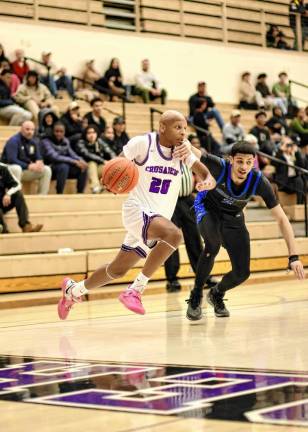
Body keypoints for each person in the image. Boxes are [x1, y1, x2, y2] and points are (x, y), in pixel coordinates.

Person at [57, 110, 216, 320]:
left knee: (117, 270)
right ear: (162, 127)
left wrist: (206, 182)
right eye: (178, 127)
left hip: (157, 220)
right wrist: (112, 181)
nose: (183, 132)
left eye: (185, 128)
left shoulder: (182, 151)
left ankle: (73, 290)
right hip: (137, 210)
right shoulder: (143, 143)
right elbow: (116, 166)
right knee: (175, 235)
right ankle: (136, 290)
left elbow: (206, 174)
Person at [186, 141, 305, 321]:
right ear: (231, 160)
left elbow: (282, 218)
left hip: (233, 216)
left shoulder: (259, 182)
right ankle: (196, 295)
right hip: (207, 209)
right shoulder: (220, 166)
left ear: (253, 163)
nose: (244, 166)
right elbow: (193, 150)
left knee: (242, 273)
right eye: (240, 161)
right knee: (213, 244)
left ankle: (216, 293)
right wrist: (178, 137)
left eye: (249, 162)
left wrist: (294, 257)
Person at [164, 153, 218, 292]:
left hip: (188, 199)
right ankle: (172, 279)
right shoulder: (162, 155)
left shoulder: (186, 152)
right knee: (170, 241)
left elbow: (200, 171)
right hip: (169, 201)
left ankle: (203, 276)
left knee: (195, 239)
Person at [1, 121, 52, 195]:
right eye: (27, 129)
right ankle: (15, 197)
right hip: (8, 170)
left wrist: (39, 162)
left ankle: (42, 196)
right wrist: (28, 166)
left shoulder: (33, 142)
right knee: (16, 168)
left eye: (32, 130)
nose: (30, 132)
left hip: (24, 170)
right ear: (21, 129)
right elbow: (12, 160)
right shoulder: (13, 141)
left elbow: (38, 157)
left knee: (46, 170)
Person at [40, 122, 88, 194]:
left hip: (65, 167)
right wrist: (74, 162)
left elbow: (72, 154)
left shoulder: (65, 141)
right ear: (53, 131)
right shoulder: (46, 141)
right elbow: (54, 157)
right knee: (64, 166)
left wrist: (81, 160)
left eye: (61, 132)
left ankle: (80, 193)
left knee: (83, 167)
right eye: (57, 131)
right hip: (51, 167)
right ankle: (59, 193)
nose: (59, 134)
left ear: (64, 132)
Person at [0, 162, 43, 234]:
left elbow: (17, 184)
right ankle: (4, 230)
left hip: (2, 203)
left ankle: (26, 226)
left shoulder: (3, 168)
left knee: (18, 195)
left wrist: (8, 194)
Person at [75, 125, 116, 193]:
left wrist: (115, 161)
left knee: (109, 167)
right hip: (85, 168)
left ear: (97, 134)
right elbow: (88, 155)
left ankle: (113, 188)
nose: (92, 135)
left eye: (94, 132)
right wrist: (103, 161)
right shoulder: (80, 143)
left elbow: (109, 151)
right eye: (89, 133)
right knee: (92, 163)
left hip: (97, 168)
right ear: (85, 134)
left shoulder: (99, 141)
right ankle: (95, 187)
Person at [273, 136, 306, 204]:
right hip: (284, 182)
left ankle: (300, 204)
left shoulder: (293, 155)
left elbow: (302, 165)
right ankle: (300, 204)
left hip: (294, 181)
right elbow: (274, 163)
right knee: (299, 180)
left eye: (290, 145)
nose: (289, 146)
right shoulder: (280, 156)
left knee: (300, 180)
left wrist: (296, 152)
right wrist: (281, 150)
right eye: (287, 145)